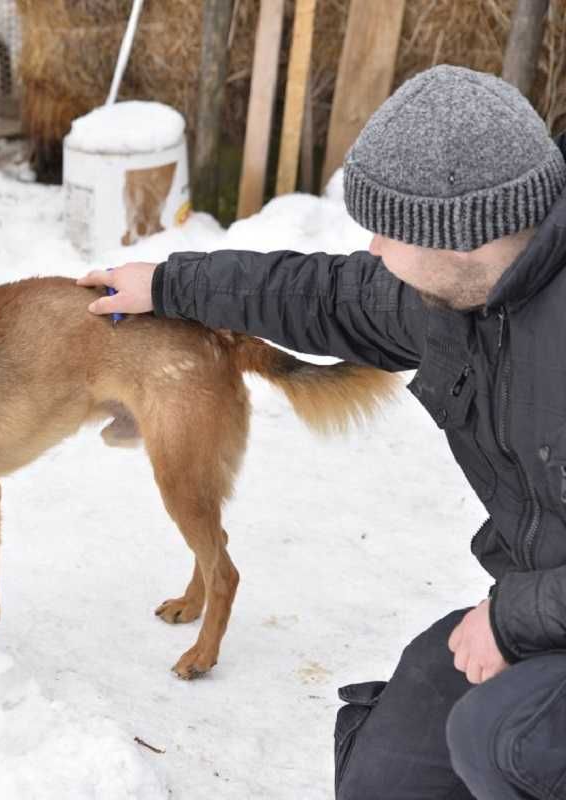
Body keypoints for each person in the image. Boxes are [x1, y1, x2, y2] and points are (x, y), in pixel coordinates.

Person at [80, 64, 566, 799]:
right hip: (541, 608)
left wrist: (515, 620)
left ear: (459, 235)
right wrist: (170, 283)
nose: (372, 249)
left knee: (501, 739)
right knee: (390, 768)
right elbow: (328, 295)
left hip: (538, 615)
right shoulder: (460, 292)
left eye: (389, 232)